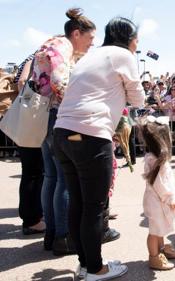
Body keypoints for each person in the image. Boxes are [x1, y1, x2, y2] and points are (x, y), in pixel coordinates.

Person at [53, 17, 144, 280]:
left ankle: (85, 263)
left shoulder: (91, 56)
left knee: (78, 204)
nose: (137, 45)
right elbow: (137, 97)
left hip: (62, 132)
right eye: (136, 39)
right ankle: (95, 268)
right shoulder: (123, 55)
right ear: (128, 38)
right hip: (91, 135)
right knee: (94, 206)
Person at [31, 8, 96, 255]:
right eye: (89, 40)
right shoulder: (62, 47)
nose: (90, 46)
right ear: (77, 34)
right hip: (57, 117)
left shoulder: (50, 43)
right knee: (66, 179)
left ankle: (51, 234)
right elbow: (61, 84)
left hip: (43, 116)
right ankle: (63, 235)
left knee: (51, 177)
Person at [141, 116, 175, 270]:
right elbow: (158, 183)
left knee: (159, 228)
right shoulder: (155, 160)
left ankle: (162, 249)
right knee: (154, 231)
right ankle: (154, 257)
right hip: (157, 201)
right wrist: (169, 198)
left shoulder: (157, 158)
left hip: (158, 200)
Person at [13, 55, 46, 235]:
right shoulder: (38, 58)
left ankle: (32, 217)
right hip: (34, 119)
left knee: (31, 171)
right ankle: (32, 220)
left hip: (26, 120)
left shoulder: (32, 57)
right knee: (35, 171)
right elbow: (23, 82)